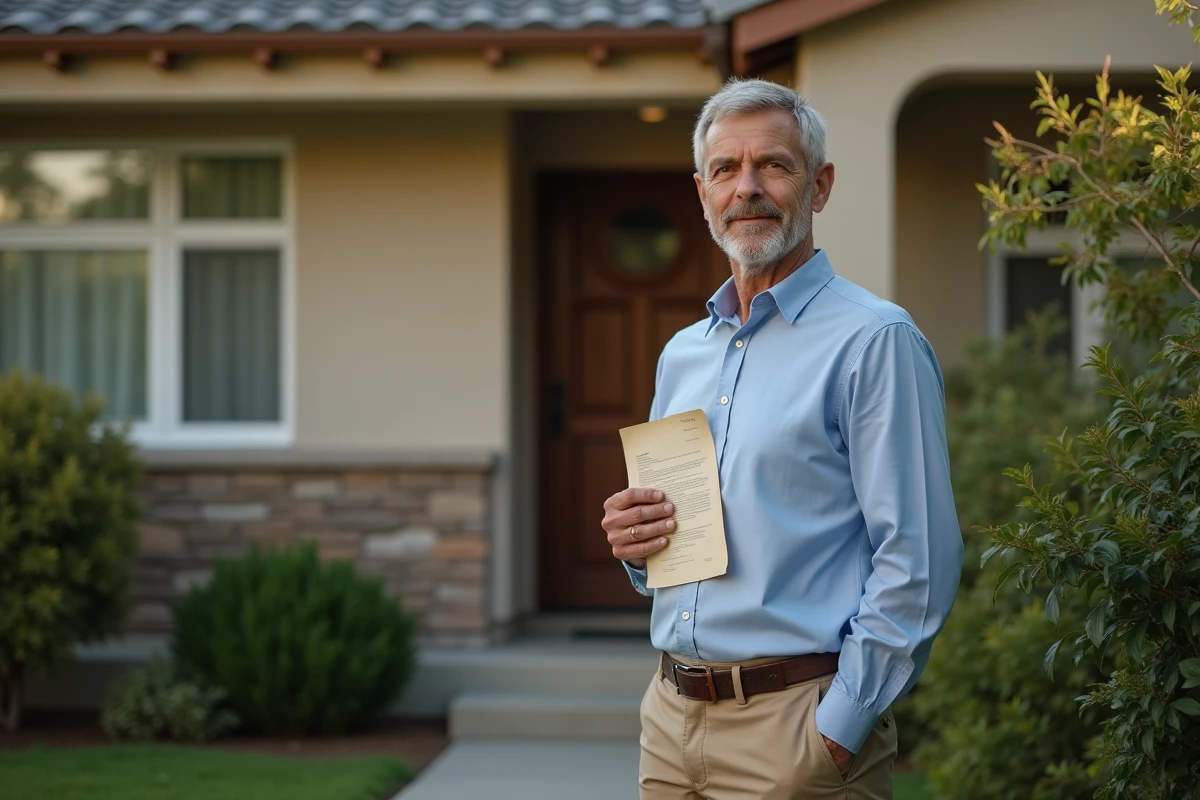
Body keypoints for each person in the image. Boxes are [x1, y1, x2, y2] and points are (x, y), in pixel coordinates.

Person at [600, 78, 964, 800]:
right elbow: (689, 539)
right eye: (726, 170)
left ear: (819, 186)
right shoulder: (683, 353)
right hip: (670, 724)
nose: (748, 189)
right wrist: (641, 546)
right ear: (702, 191)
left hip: (798, 732)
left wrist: (839, 726)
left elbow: (918, 557)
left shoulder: (873, 340)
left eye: (773, 165)